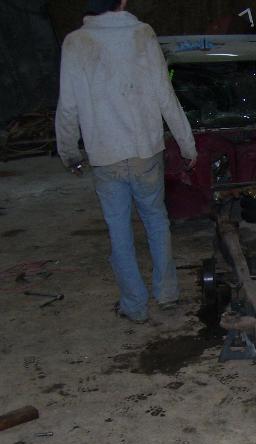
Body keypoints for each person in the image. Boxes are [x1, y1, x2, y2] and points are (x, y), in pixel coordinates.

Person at [55, 0, 197, 324]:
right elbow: (165, 95)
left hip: (106, 157)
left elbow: (68, 107)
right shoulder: (143, 34)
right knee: (156, 220)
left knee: (119, 230)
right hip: (146, 151)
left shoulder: (75, 42)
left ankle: (134, 305)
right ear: (122, 2)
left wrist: (69, 153)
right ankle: (167, 293)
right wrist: (187, 145)